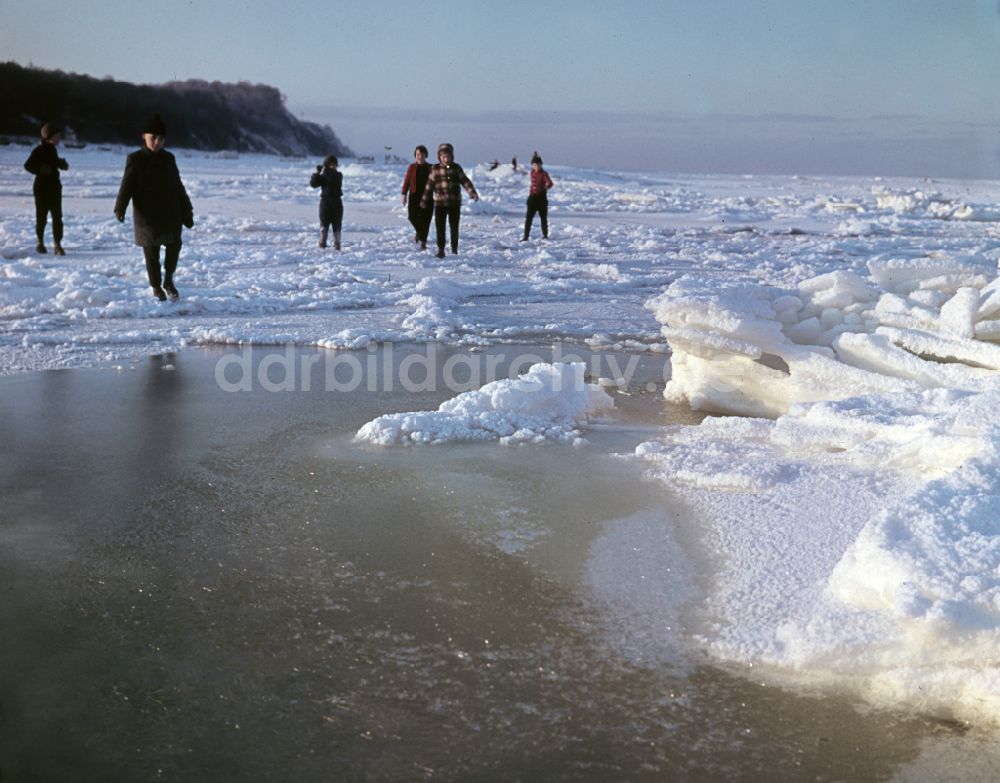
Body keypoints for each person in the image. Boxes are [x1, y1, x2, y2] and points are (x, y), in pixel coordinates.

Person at [114, 113, 194, 301]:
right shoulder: (135, 159)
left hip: (170, 212)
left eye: (161, 139)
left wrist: (186, 209)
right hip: (147, 214)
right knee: (152, 251)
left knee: (174, 246)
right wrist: (120, 207)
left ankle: (168, 281)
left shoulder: (169, 158)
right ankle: (156, 286)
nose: (157, 142)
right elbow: (127, 185)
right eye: (153, 138)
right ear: (144, 136)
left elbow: (177, 185)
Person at [419, 143, 479, 259]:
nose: (446, 159)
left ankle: (454, 249)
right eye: (443, 157)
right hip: (440, 204)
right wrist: (424, 200)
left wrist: (472, 192)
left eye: (448, 157)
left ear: (452, 156)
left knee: (454, 227)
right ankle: (441, 249)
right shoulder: (435, 169)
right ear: (439, 157)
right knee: (440, 227)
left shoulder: (456, 168)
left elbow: (465, 181)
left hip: (454, 203)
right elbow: (429, 186)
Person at [24, 122, 69, 255]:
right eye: (57, 136)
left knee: (57, 217)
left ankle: (57, 245)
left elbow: (52, 162)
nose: (59, 138)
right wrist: (40, 169)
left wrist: (60, 163)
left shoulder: (53, 149)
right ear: (49, 137)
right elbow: (27, 165)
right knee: (41, 217)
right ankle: (40, 242)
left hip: (55, 188)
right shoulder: (38, 150)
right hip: (41, 189)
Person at [401, 145, 432, 250]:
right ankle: (420, 233)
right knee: (412, 217)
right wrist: (403, 194)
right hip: (414, 196)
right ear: (415, 155)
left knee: (425, 220)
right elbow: (407, 182)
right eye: (418, 154)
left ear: (426, 155)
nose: (420, 156)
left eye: (422, 154)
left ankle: (423, 242)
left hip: (427, 198)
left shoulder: (431, 167)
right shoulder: (411, 167)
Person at [310, 155, 343, 250]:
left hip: (336, 202)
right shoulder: (323, 176)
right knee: (324, 225)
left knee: (337, 225)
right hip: (325, 202)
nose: (332, 166)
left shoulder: (338, 175)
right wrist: (317, 173)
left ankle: (337, 245)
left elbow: (333, 180)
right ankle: (322, 244)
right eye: (330, 164)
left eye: (334, 164)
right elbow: (313, 184)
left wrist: (324, 172)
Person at [522, 151, 554, 241]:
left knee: (543, 218)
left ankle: (545, 235)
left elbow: (550, 183)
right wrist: (535, 156)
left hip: (541, 199)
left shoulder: (544, 174)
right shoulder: (532, 172)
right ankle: (525, 236)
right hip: (532, 198)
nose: (537, 167)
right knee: (528, 218)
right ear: (532, 165)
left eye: (539, 165)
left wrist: (545, 188)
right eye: (535, 165)